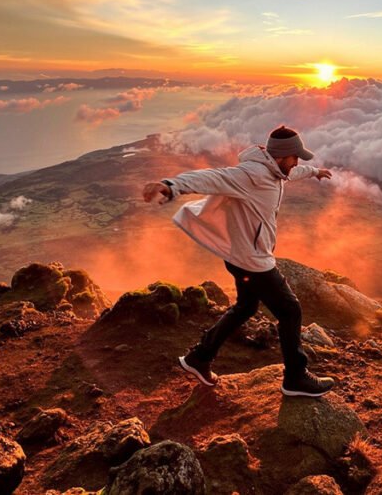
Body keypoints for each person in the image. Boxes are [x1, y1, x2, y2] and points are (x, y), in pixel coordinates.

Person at [142, 125, 336, 397]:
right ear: (281, 156)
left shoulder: (276, 171)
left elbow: (293, 174)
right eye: (295, 158)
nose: (297, 162)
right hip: (253, 261)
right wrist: (172, 186)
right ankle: (295, 377)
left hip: (239, 256)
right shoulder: (250, 175)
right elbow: (212, 177)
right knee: (290, 310)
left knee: (245, 307)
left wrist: (315, 172)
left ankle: (199, 358)